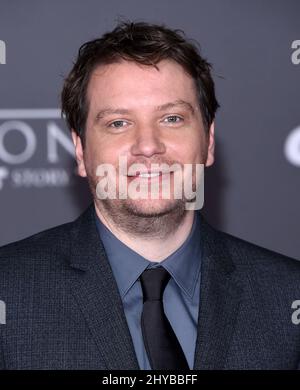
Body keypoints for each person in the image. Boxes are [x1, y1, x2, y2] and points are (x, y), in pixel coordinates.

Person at [0, 21, 300, 370]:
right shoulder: (9, 293)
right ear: (80, 150)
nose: (148, 146)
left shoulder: (287, 298)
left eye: (172, 118)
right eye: (118, 123)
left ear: (209, 141)